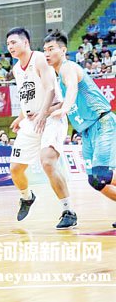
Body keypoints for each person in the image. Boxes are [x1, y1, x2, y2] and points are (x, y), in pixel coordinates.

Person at [6, 27, 76, 229]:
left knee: (47, 161)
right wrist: (21, 117)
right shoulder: (16, 69)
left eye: (14, 42)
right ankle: (27, 197)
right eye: (8, 44)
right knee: (15, 170)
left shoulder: (39, 59)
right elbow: (27, 96)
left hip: (51, 116)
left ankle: (68, 211)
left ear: (25, 43)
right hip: (32, 120)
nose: (10, 47)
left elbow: (50, 89)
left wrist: (43, 114)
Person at [44, 32, 116, 228]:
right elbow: (63, 101)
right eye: (45, 50)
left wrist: (64, 109)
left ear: (63, 50)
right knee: (95, 181)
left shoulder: (68, 68)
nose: (47, 53)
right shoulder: (58, 78)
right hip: (87, 132)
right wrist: (40, 113)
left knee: (102, 175)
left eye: (51, 49)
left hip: (102, 123)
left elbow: (73, 89)